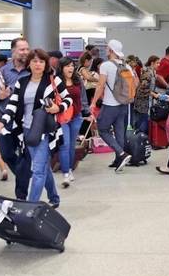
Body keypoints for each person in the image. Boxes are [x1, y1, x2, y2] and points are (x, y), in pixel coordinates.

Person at [0, 49, 71, 207]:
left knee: (37, 170)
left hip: (45, 130)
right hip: (26, 130)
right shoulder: (21, 82)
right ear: (29, 63)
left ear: (46, 64)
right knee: (42, 166)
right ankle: (54, 198)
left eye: (41, 61)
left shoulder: (53, 80)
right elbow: (13, 105)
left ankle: (30, 206)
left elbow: (68, 98)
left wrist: (59, 108)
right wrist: (3, 121)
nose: (38, 64)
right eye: (35, 61)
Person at [0, 38, 32, 199]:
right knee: (5, 153)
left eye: (27, 49)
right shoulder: (3, 71)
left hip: (25, 119)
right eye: (22, 49)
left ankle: (21, 196)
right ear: (13, 51)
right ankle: (23, 175)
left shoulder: (31, 70)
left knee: (25, 157)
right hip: (7, 120)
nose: (25, 52)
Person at [89, 39, 133, 172]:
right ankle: (119, 160)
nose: (106, 50)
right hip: (124, 104)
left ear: (111, 50)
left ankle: (121, 153)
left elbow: (100, 85)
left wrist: (93, 102)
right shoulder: (127, 66)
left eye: (108, 48)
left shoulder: (106, 65)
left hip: (110, 104)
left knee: (102, 129)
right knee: (120, 132)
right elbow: (134, 83)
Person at [57, 57, 93, 187]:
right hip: (62, 117)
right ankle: (65, 173)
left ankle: (70, 169)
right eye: (67, 66)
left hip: (76, 117)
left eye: (72, 65)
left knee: (72, 145)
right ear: (61, 68)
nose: (70, 68)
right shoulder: (56, 82)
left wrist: (87, 113)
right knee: (64, 145)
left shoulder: (78, 81)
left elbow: (83, 99)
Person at [134, 55, 160, 134]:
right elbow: (142, 88)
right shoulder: (148, 74)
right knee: (143, 123)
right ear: (152, 63)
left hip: (146, 101)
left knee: (145, 121)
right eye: (157, 63)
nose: (159, 65)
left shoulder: (152, 73)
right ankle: (139, 139)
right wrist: (153, 94)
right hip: (143, 102)